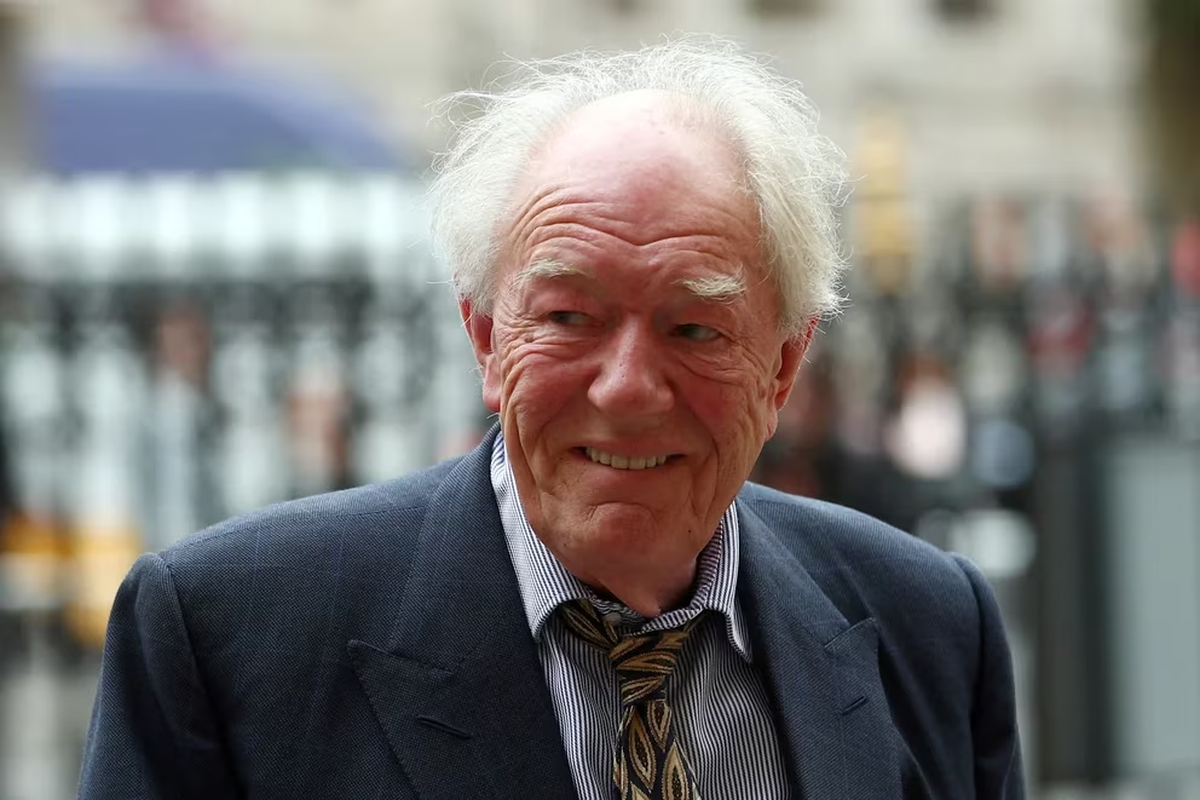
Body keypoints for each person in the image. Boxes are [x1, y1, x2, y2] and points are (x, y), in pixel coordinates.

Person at [78, 37, 1024, 799]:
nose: (626, 388)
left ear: (783, 366)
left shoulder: (930, 628)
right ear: (487, 339)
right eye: (570, 318)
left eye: (693, 327)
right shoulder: (228, 639)